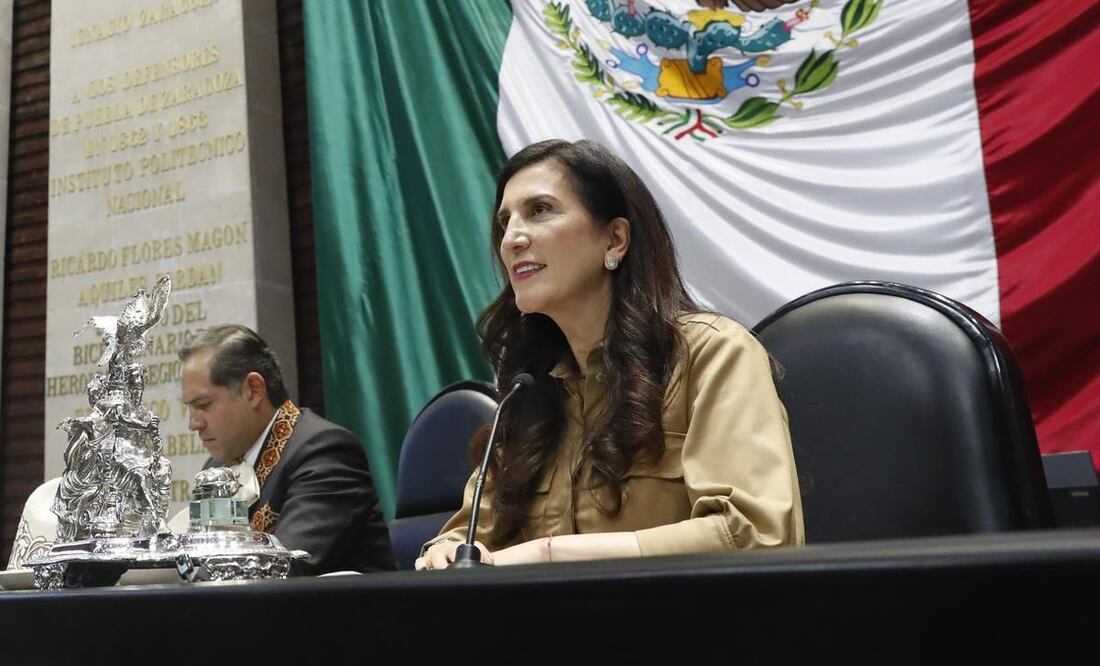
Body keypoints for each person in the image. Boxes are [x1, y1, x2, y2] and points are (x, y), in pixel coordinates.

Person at [417, 139, 804, 570]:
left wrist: (548, 554)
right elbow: (465, 535)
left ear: (615, 239)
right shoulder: (528, 389)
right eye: (505, 222)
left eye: (540, 210)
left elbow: (754, 535)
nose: (512, 239)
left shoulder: (714, 354)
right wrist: (444, 552)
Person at [179, 325, 395, 574]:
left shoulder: (324, 452)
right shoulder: (214, 469)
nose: (193, 423)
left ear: (253, 390)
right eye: (189, 407)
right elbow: (196, 568)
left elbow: (283, 568)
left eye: (203, 404)